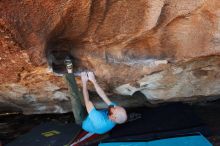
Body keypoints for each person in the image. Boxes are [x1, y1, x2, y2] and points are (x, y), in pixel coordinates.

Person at [64, 56, 127, 134]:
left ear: (113, 117)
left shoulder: (100, 122)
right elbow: (103, 96)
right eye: (115, 106)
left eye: (113, 109)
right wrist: (93, 81)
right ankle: (81, 90)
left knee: (75, 97)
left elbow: (88, 102)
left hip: (83, 120)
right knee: (82, 93)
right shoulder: (115, 110)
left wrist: (84, 82)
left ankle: (69, 71)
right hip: (94, 115)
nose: (113, 106)